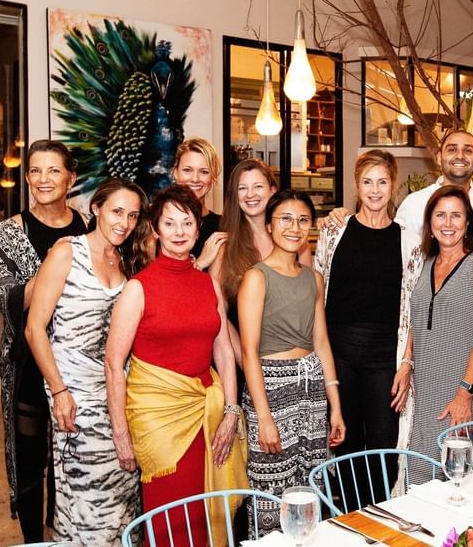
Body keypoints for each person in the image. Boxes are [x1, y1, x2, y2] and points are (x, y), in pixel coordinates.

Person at [105, 185, 247, 547]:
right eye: (170, 223)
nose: (180, 232)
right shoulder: (138, 288)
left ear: (199, 229)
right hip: (158, 419)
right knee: (170, 517)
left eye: (187, 223)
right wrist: (121, 434)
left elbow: (224, 350)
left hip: (207, 413)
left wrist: (232, 410)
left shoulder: (208, 285)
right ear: (155, 229)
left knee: (205, 514)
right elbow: (112, 363)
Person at [24, 177, 151, 545]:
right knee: (86, 497)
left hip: (117, 389)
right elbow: (35, 329)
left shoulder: (127, 257)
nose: (124, 222)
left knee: (123, 492)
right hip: (74, 392)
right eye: (116, 211)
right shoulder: (67, 252)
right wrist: (59, 390)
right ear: (95, 208)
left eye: (132, 215)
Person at [0, 140, 87, 542]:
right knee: (32, 462)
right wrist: (53, 266)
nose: (43, 179)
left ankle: (65, 531)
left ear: (71, 178)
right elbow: (6, 299)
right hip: (29, 362)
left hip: (81, 360)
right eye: (35, 171)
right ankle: (34, 540)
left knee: (72, 456)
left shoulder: (88, 225)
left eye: (53, 171)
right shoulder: (10, 232)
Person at [238, 189, 345, 533]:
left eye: (302, 220)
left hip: (312, 389)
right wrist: (264, 417)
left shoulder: (313, 278)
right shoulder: (256, 277)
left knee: (311, 486)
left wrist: (336, 407)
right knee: (271, 488)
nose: (294, 227)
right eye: (285, 219)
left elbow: (322, 343)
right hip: (271, 387)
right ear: (269, 225)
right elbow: (249, 352)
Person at [314, 150, 406, 506]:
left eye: (382, 182)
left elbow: (411, 307)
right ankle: (353, 517)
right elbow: (318, 289)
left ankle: (381, 514)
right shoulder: (336, 231)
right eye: (367, 182)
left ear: (392, 186)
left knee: (384, 444)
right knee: (346, 442)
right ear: (356, 186)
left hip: (385, 355)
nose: (374, 190)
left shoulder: (407, 239)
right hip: (340, 352)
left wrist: (407, 361)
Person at [406, 185, 473, 483]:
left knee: (448, 476)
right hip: (423, 386)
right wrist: (406, 364)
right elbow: (415, 320)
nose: (448, 223)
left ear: (468, 222)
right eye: (440, 215)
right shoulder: (425, 264)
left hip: (460, 386)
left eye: (456, 216)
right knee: (418, 471)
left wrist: (465, 393)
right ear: (430, 224)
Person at [326, 130, 473, 262]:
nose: (460, 156)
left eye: (468, 150)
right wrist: (342, 218)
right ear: (438, 157)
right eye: (452, 149)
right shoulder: (414, 203)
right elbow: (388, 244)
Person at [219, 158, 311, 318]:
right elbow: (218, 313)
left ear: (272, 190)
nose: (250, 194)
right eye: (242, 188)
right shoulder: (224, 246)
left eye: (258, 186)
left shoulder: (295, 243)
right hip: (239, 341)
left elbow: (309, 305)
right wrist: (236, 344)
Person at [171, 137, 226, 265]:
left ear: (213, 178)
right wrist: (201, 262)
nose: (195, 179)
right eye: (187, 170)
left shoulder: (222, 227)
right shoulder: (156, 223)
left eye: (204, 172)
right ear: (175, 173)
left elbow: (217, 284)